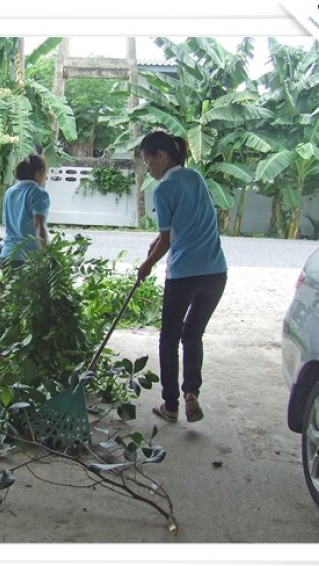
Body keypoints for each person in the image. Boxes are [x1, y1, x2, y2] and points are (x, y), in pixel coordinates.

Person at [136, 130, 227, 424]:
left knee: (169, 338)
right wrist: (158, 240)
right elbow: (179, 226)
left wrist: (146, 265)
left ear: (161, 156)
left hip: (183, 275)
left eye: (148, 160)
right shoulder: (195, 178)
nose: (148, 167)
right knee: (193, 334)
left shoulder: (163, 189)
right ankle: (191, 392)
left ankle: (171, 405)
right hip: (215, 273)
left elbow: (166, 241)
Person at [0, 154, 50, 268]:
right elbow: (39, 225)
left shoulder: (9, 192)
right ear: (40, 172)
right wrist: (47, 254)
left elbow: (7, 224)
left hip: (7, 255)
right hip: (28, 257)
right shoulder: (39, 193)